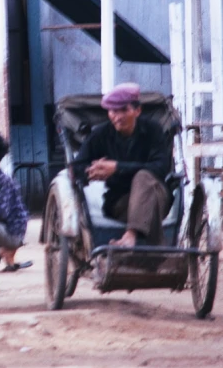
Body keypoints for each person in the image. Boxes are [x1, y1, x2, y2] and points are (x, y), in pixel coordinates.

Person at [72, 83, 172, 247]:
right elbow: (76, 167)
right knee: (147, 204)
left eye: (124, 110)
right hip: (120, 205)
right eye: (113, 111)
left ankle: (130, 236)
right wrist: (92, 171)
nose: (118, 117)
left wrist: (117, 168)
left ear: (137, 111)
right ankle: (157, 257)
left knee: (144, 177)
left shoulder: (153, 131)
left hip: (158, 196)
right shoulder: (100, 134)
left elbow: (161, 167)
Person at [0, 130, 32, 272]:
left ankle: (7, 250)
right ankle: (2, 253)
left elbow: (1, 212)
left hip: (13, 234)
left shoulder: (2, 181)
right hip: (3, 230)